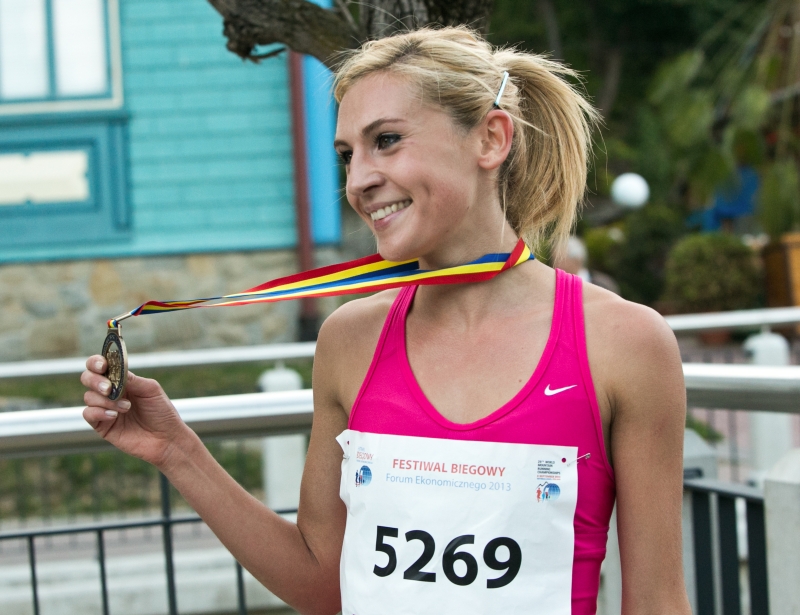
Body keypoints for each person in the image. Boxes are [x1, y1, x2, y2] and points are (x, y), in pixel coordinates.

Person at [81, 27, 690, 615]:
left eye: (388, 140)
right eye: (347, 155)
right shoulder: (350, 339)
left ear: (490, 139)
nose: (359, 180)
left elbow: (657, 603)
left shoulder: (622, 344)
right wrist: (177, 450)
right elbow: (321, 585)